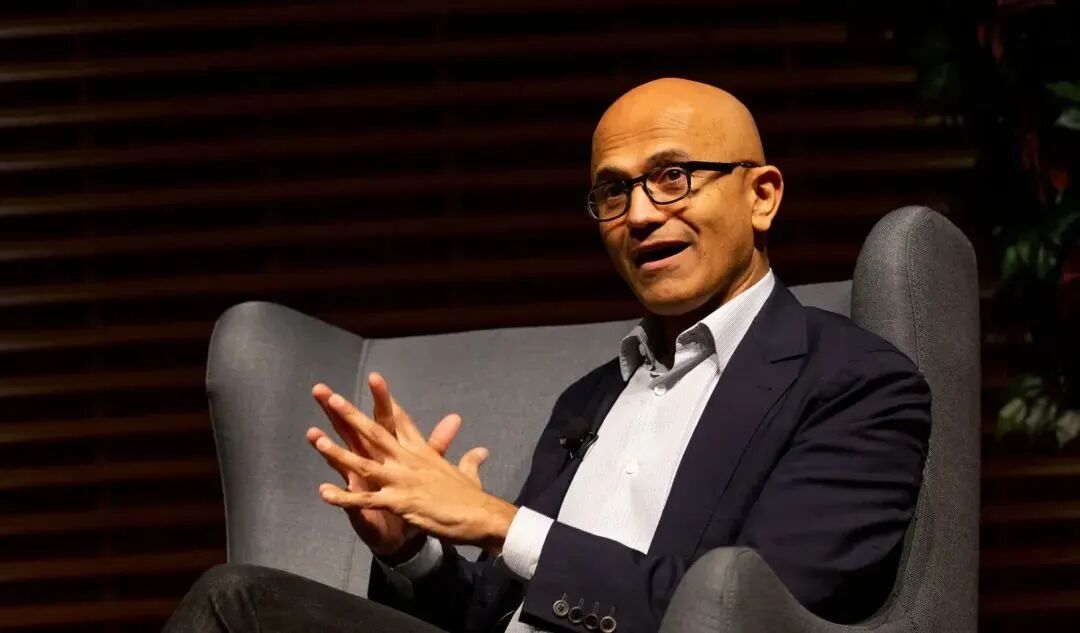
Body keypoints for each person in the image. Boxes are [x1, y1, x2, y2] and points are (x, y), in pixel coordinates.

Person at [164, 78, 931, 633]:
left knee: (235, 608)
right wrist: (413, 550)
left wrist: (500, 523)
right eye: (612, 192)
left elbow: (753, 613)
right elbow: (500, 612)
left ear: (761, 195)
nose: (639, 214)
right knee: (243, 604)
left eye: (672, 177)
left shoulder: (854, 384)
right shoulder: (590, 398)